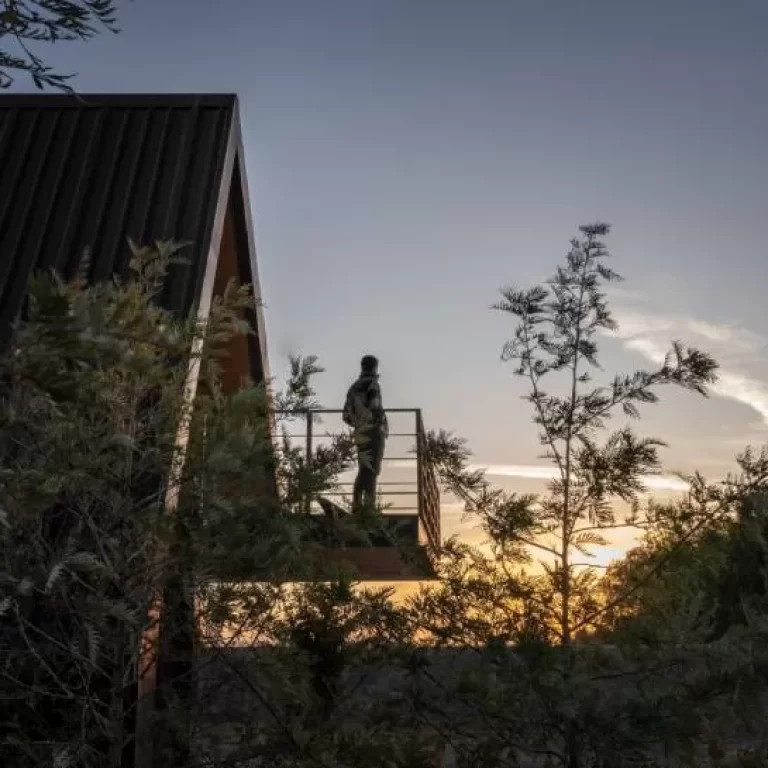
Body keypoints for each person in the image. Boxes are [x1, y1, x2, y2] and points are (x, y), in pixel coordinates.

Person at [343, 355, 389, 510]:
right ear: (375, 367)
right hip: (373, 433)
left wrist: (358, 424)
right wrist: (379, 425)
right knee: (372, 470)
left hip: (360, 432)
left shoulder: (353, 388)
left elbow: (346, 416)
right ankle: (369, 509)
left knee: (364, 469)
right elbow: (375, 408)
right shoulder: (372, 384)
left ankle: (357, 505)